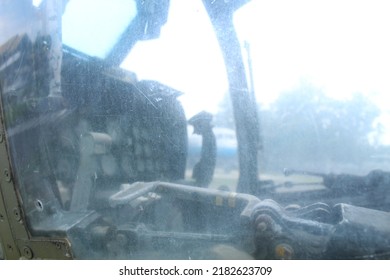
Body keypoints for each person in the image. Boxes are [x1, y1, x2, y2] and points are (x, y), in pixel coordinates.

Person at [188, 111, 216, 187]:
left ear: (202, 124)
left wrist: (199, 171)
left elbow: (207, 159)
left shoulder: (208, 137)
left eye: (195, 126)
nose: (194, 131)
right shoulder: (208, 136)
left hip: (204, 176)